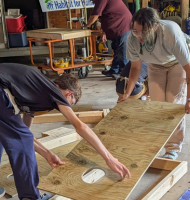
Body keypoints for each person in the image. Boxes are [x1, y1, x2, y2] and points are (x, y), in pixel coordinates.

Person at [0, 63, 130, 200]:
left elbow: (25, 133)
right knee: (20, 140)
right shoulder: (54, 91)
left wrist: (48, 154)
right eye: (69, 103)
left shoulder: (35, 91)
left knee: (6, 134)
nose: (64, 107)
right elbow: (80, 126)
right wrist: (109, 158)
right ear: (69, 94)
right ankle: (31, 197)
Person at [118, 7, 190, 160]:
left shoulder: (170, 33)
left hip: (176, 64)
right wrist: (127, 93)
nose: (139, 35)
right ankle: (160, 143)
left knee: (172, 104)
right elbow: (135, 68)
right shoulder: (133, 38)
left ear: (155, 26)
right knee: (158, 105)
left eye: (143, 32)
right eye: (136, 31)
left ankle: (173, 148)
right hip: (155, 65)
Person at [86, 0, 132, 79]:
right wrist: (103, 33)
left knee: (122, 50)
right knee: (116, 48)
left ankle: (124, 73)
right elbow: (105, 17)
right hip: (116, 26)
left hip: (123, 25)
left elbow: (95, 15)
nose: (91, 1)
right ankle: (114, 70)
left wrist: (86, 26)